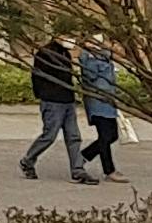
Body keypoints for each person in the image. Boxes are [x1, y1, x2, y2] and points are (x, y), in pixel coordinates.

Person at [20, 33, 92, 182]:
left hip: (67, 99)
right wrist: (43, 95)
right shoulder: (45, 53)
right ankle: (28, 160)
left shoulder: (65, 52)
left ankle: (78, 170)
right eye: (69, 36)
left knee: (74, 136)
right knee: (49, 135)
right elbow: (37, 76)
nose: (72, 40)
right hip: (52, 101)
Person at [78, 40, 124, 181]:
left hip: (108, 101)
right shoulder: (89, 57)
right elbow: (90, 76)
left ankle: (81, 157)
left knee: (113, 135)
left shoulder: (104, 55)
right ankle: (109, 171)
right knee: (105, 136)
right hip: (97, 101)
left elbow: (121, 56)